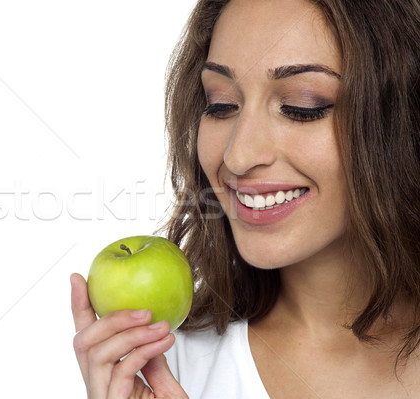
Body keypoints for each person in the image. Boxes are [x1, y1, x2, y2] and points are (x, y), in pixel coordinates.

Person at [70, 0, 420, 397]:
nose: (238, 156)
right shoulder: (162, 369)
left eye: (302, 107)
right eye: (221, 105)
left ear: (403, 120)